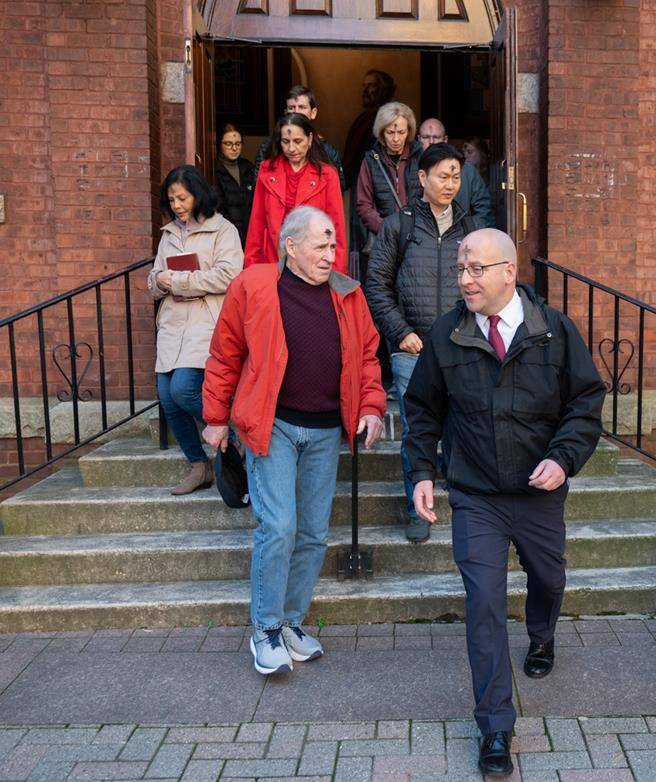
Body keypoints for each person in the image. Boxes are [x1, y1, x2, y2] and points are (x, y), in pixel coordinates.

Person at [404, 229, 605, 775]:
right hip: (476, 496)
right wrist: (422, 471)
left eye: (475, 268)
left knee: (549, 577)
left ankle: (542, 636)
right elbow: (422, 409)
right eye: (460, 268)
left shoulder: (553, 331)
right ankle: (495, 726)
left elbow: (585, 402)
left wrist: (563, 459)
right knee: (485, 606)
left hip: (539, 492)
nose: (464, 278)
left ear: (508, 271)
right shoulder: (448, 333)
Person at [202, 205, 386, 675]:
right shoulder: (255, 286)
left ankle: (290, 623)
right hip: (275, 425)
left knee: (312, 535)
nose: (331, 253)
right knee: (278, 526)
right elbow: (226, 354)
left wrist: (370, 408)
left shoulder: (348, 293)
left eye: (333, 244)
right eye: (321, 244)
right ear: (291, 246)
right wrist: (216, 417)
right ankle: (264, 629)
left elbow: (367, 358)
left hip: (326, 430)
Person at [364, 143, 484, 543]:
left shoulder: (470, 230)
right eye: (442, 176)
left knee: (458, 422)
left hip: (457, 346)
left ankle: (458, 497)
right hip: (410, 347)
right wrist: (401, 332)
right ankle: (415, 505)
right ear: (422, 179)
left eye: (456, 176)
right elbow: (376, 286)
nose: (450, 184)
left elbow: (482, 287)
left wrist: (468, 332)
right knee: (418, 429)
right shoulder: (400, 225)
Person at [147, 165, 242, 495]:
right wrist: (159, 282)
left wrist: (181, 282)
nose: (176, 205)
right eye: (171, 199)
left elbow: (230, 275)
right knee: (166, 397)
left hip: (206, 320)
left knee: (185, 390)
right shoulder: (169, 233)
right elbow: (154, 278)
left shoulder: (222, 230)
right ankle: (199, 466)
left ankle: (232, 436)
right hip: (173, 323)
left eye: (182, 197)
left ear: (198, 194)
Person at [245, 113, 346, 272]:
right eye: (286, 141)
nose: (291, 148)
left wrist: (337, 276)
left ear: (310, 139)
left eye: (298, 141)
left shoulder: (327, 175)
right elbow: (256, 227)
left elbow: (337, 229)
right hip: (273, 261)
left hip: (313, 263)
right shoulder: (267, 170)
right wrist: (251, 271)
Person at [355, 102, 423, 245]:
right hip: (384, 239)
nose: (396, 139)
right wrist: (386, 228)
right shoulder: (371, 160)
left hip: (417, 237)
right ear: (381, 133)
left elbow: (430, 198)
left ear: (409, 132)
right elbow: (364, 205)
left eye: (402, 132)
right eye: (390, 132)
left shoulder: (420, 157)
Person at [255, 86, 345, 191]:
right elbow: (258, 190)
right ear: (285, 113)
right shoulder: (268, 148)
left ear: (313, 113)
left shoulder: (328, 151)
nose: (296, 112)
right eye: (291, 108)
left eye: (302, 107)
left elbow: (338, 190)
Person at [417, 118, 495, 230]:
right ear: (418, 139)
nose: (431, 142)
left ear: (445, 139)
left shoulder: (467, 170)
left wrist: (466, 232)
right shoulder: (409, 168)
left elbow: (484, 210)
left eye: (436, 137)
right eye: (426, 137)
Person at [342, 69, 397, 189]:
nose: (365, 91)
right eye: (364, 86)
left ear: (383, 88)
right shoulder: (365, 118)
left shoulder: (391, 117)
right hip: (360, 181)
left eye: (371, 85)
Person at [214, 124, 256, 246]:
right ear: (219, 145)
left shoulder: (248, 168)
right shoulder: (214, 169)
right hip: (225, 235)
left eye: (238, 144)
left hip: (249, 233)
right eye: (228, 144)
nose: (234, 148)